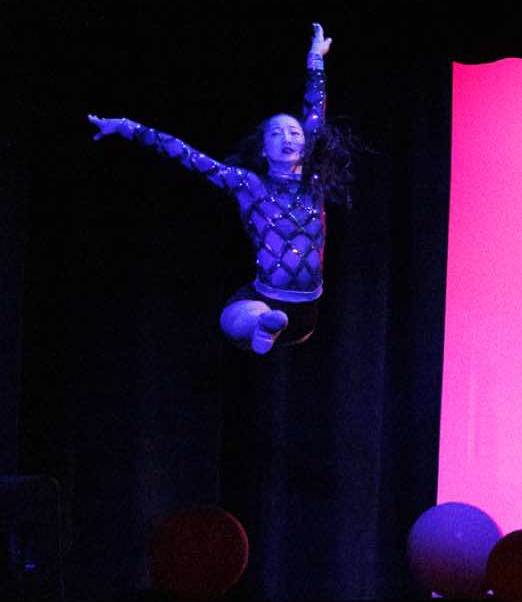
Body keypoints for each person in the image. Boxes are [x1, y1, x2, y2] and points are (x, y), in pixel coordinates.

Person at [87, 23, 349, 354]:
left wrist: (316, 58)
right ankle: (263, 325)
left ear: (305, 144)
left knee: (259, 314)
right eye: (276, 133)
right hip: (266, 299)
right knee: (234, 316)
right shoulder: (249, 184)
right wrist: (127, 127)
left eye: (294, 133)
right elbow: (187, 156)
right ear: (263, 150)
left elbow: (314, 112)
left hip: (306, 312)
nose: (288, 137)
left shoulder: (314, 182)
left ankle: (268, 325)